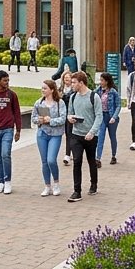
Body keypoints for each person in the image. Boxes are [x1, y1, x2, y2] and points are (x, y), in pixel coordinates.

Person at [65, 71, 100, 202]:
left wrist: (92, 132)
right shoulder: (73, 97)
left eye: (74, 82)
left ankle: (94, 183)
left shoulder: (94, 97)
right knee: (77, 161)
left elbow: (99, 116)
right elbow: (69, 113)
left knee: (91, 160)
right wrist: (70, 118)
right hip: (76, 134)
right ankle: (77, 191)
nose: (71, 85)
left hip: (90, 135)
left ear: (81, 83)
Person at [32, 79, 67, 197]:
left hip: (55, 134)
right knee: (44, 161)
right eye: (42, 88)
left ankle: (56, 183)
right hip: (42, 133)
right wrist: (40, 120)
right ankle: (47, 186)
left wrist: (50, 120)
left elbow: (63, 119)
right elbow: (34, 118)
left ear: (52, 90)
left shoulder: (59, 103)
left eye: (45, 88)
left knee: (51, 160)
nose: (42, 90)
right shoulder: (39, 103)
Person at [94, 72, 120, 165]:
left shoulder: (113, 92)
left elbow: (118, 105)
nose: (100, 82)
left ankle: (113, 155)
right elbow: (92, 97)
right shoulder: (98, 91)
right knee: (100, 136)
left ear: (107, 81)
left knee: (112, 136)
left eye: (102, 80)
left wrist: (114, 116)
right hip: (102, 116)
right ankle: (98, 158)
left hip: (111, 116)